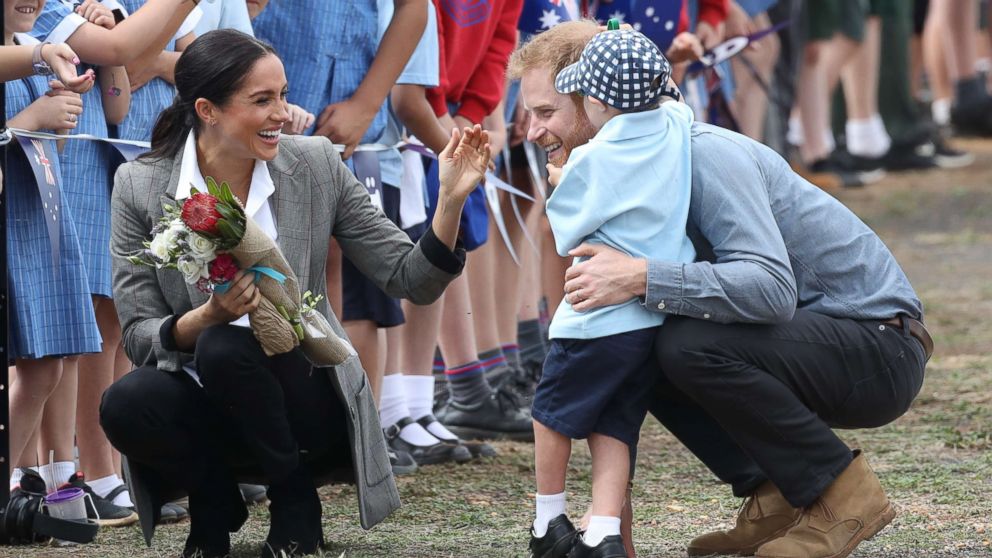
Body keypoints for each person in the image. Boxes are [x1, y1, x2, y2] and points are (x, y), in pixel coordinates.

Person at [511, 19, 931, 558]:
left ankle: (842, 496)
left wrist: (641, 276)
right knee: (638, 344)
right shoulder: (623, 174)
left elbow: (771, 289)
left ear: (596, 99)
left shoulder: (702, 153)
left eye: (546, 113)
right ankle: (775, 494)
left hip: (880, 345)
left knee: (683, 343)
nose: (532, 130)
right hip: (818, 341)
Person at [98, 29, 490, 558]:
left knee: (226, 349)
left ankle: (295, 503)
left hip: (305, 402)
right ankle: (213, 503)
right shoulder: (140, 185)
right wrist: (208, 316)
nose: (283, 113)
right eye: (263, 100)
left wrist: (449, 201)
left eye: (282, 95)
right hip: (207, 404)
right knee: (126, 401)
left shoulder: (316, 163)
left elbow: (410, 278)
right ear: (207, 110)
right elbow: (142, 337)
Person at [528, 28, 696, 558]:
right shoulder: (674, 125)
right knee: (615, 427)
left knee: (550, 414)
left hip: (593, 320)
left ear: (596, 103)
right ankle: (604, 531)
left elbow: (569, 232)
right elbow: (678, 104)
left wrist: (561, 182)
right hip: (647, 318)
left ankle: (547, 518)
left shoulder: (591, 161)